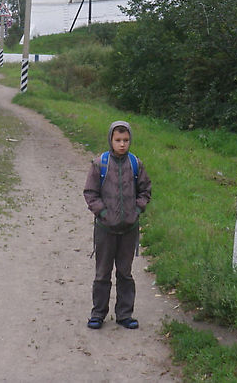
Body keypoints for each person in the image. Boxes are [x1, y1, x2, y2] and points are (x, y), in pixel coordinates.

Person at [83, 120, 151, 329]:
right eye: (118, 140)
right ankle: (98, 314)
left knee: (125, 273)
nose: (122, 144)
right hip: (105, 230)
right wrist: (102, 212)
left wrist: (136, 211)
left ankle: (124, 314)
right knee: (102, 273)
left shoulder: (136, 164)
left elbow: (145, 191)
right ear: (110, 140)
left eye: (126, 140)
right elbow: (90, 193)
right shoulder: (100, 164)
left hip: (129, 230)